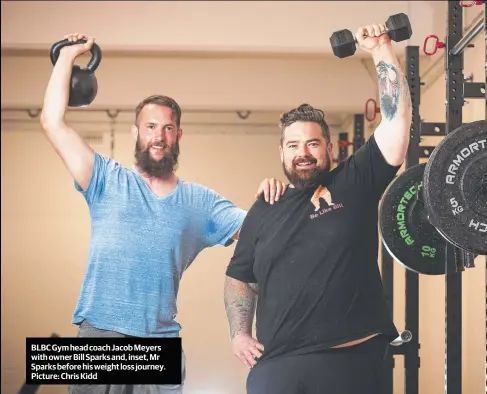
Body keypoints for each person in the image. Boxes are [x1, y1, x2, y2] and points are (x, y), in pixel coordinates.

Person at [40, 32, 286, 394]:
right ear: (135, 133)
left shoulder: (199, 202)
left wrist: (276, 194)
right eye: (151, 127)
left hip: (159, 340)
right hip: (98, 332)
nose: (159, 136)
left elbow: (265, 231)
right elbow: (52, 122)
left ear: (179, 135)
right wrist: (67, 56)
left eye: (168, 128)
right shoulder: (105, 178)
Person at [224, 22, 412, 394]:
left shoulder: (354, 181)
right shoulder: (264, 207)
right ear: (281, 153)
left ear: (330, 148)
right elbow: (239, 275)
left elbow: (396, 121)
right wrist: (239, 333)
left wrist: (380, 50)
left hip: (352, 361)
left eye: (312, 144)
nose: (303, 154)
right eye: (293, 146)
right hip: (277, 364)